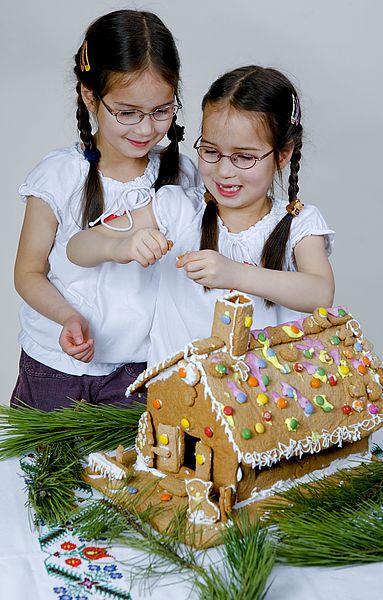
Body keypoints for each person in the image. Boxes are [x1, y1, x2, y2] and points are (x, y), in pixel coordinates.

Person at [67, 66, 335, 369]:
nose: (223, 171)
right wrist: (120, 247)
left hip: (264, 407)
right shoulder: (178, 208)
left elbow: (320, 292)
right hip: (176, 404)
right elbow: (78, 248)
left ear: (283, 154)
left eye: (244, 157)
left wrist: (234, 274)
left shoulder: (299, 223)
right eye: (210, 151)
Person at [11, 10, 200, 410]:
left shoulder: (183, 176)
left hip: (141, 371)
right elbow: (28, 272)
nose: (146, 129)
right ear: (90, 96)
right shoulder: (59, 176)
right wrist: (66, 317)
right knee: (42, 471)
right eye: (128, 113)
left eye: (162, 111)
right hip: (54, 364)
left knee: (129, 472)